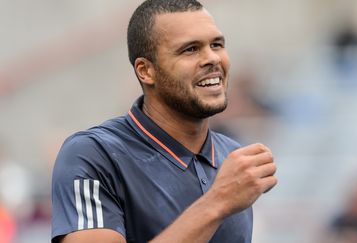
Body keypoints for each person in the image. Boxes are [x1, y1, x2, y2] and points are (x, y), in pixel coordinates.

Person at [51, 0, 278, 243]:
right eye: (190, 49)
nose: (212, 58)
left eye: (217, 44)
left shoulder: (232, 156)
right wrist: (218, 201)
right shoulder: (94, 155)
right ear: (146, 71)